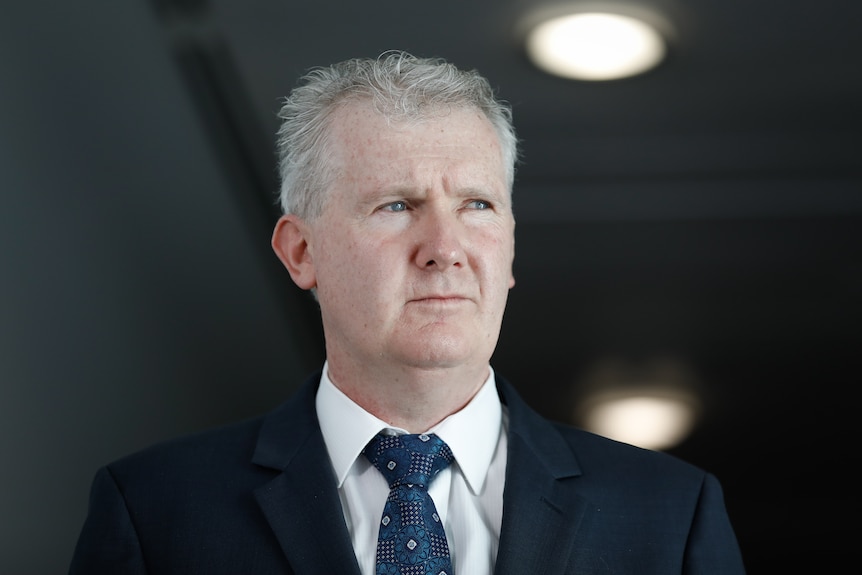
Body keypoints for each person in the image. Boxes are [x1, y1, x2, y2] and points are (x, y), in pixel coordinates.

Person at [68, 50, 746, 574]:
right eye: (397, 205)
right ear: (300, 251)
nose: (446, 248)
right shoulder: (156, 512)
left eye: (477, 204)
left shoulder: (669, 516)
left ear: (510, 248)